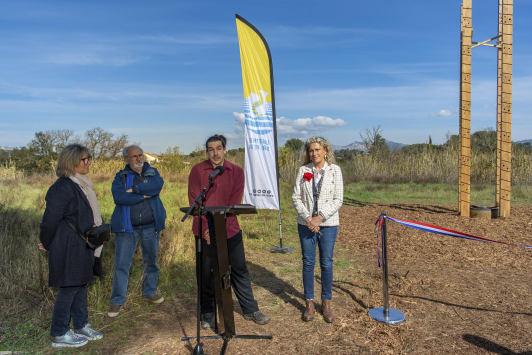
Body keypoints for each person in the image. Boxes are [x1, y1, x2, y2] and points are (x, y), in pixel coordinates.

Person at [187, 134, 270, 329]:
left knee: (239, 269)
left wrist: (218, 231)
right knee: (205, 273)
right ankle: (208, 313)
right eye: (210, 149)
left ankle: (250, 309)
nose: (215, 153)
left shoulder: (236, 171)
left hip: (230, 230)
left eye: (218, 148)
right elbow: (194, 203)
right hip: (203, 232)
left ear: (225, 149)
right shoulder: (198, 171)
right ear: (206, 152)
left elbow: (233, 204)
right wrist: (208, 230)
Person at [39, 144, 104, 348]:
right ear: (71, 161)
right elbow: (49, 221)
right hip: (68, 245)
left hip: (82, 244)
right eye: (84, 159)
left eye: (88, 158)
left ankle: (80, 325)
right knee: (68, 287)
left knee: (81, 284)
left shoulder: (82, 184)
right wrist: (48, 243)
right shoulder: (62, 187)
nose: (88, 163)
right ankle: (59, 333)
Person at [108, 145, 167, 317]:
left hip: (150, 226)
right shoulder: (120, 177)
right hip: (127, 228)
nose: (139, 159)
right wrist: (143, 195)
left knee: (151, 261)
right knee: (122, 265)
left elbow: (157, 187)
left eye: (140, 155)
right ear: (126, 159)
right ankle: (117, 300)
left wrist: (134, 190)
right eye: (134, 156)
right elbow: (118, 197)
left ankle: (150, 291)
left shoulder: (152, 173)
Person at [292, 137, 343, 323]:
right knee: (308, 262)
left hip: (328, 224)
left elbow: (338, 199)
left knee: (327, 263)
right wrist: (308, 219)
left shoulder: (335, 171)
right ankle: (309, 303)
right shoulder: (303, 171)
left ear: (326, 151)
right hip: (305, 224)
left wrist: (319, 217)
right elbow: (296, 197)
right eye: (311, 150)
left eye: (317, 149)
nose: (314, 153)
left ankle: (326, 302)